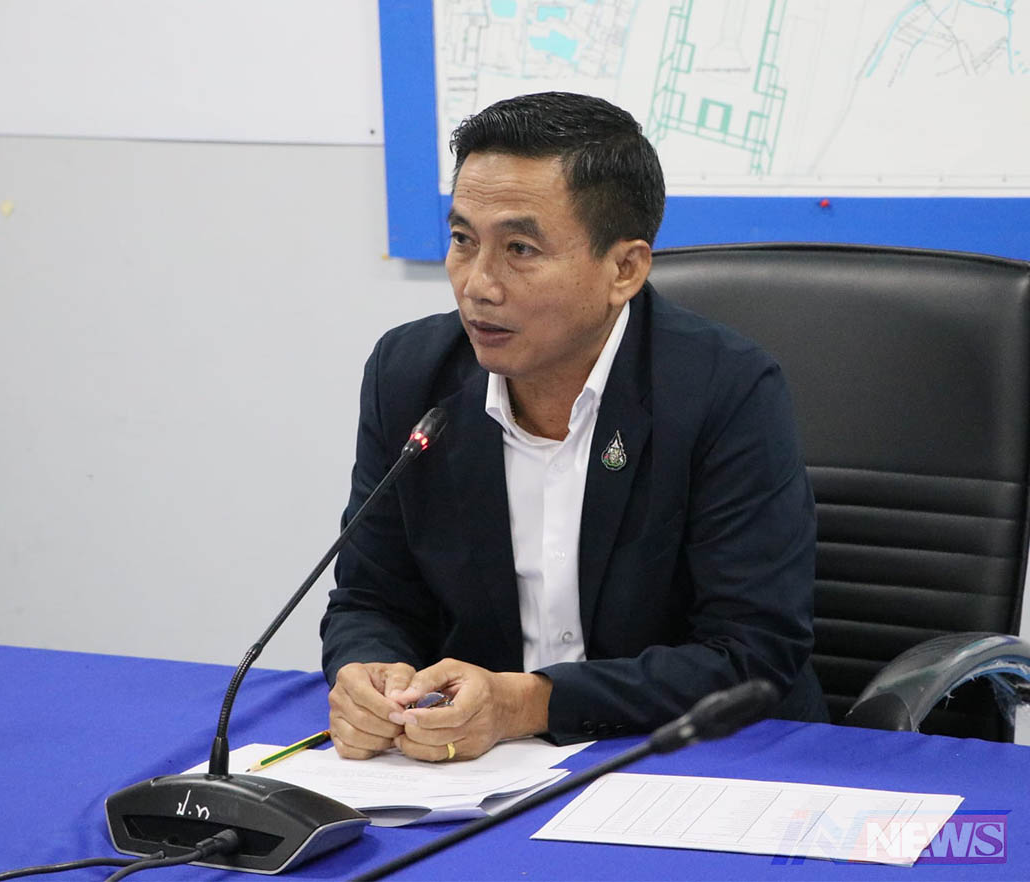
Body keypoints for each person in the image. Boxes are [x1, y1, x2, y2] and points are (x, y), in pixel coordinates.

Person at [320, 91, 827, 763]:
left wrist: (528, 703)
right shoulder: (410, 375)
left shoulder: (724, 389)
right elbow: (369, 598)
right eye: (463, 240)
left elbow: (753, 654)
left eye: (520, 248)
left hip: (697, 756)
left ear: (625, 269)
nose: (478, 284)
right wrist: (372, 676)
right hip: (479, 769)